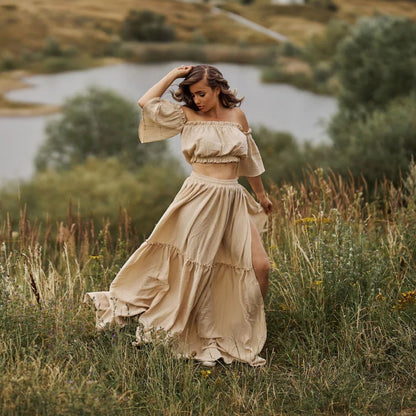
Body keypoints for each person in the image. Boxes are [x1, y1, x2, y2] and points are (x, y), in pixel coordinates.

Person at [85, 64, 272, 367]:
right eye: (191, 94)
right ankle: (186, 325)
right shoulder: (186, 116)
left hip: (233, 198)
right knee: (196, 266)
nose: (196, 99)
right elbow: (146, 103)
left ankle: (247, 327)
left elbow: (250, 159)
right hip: (199, 198)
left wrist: (260, 194)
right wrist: (173, 75)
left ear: (217, 89)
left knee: (260, 265)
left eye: (201, 93)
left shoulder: (237, 117)